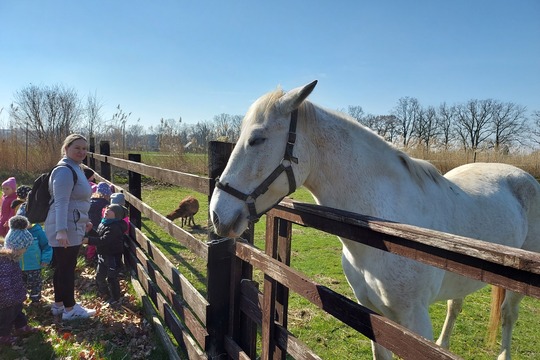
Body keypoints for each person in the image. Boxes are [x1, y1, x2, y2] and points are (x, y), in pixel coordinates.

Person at [45, 134, 96, 320]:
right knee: (67, 267)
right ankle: (70, 309)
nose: (82, 151)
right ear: (66, 148)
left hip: (73, 224)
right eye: (77, 148)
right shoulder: (64, 171)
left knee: (62, 266)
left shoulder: (76, 168)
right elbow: (60, 202)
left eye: (84, 148)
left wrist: (86, 219)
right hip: (66, 227)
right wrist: (61, 231)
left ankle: (59, 305)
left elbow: (78, 200)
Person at [0, 215, 39, 345]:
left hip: (15, 296)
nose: (25, 250)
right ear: (16, 247)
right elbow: (4, 283)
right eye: (25, 248)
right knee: (7, 318)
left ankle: (21, 327)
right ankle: (3, 336)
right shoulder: (5, 262)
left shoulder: (13, 259)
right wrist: (9, 298)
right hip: (6, 299)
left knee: (18, 312)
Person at [84, 204, 128, 308]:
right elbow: (99, 237)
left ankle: (115, 298)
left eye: (111, 210)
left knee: (112, 278)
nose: (107, 210)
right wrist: (91, 231)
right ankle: (105, 294)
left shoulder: (115, 227)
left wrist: (89, 240)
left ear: (116, 215)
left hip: (112, 256)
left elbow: (105, 240)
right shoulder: (104, 223)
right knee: (100, 277)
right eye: (107, 208)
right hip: (102, 255)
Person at [16, 205, 53, 304]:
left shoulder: (38, 231)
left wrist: (45, 259)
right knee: (19, 285)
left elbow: (46, 246)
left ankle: (35, 300)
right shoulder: (15, 232)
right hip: (19, 266)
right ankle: (20, 301)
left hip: (34, 266)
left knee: (35, 284)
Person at [86, 182, 112, 263]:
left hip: (88, 224)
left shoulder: (90, 201)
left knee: (91, 241)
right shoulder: (105, 204)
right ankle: (94, 257)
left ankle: (89, 256)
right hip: (98, 225)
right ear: (106, 195)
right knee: (97, 241)